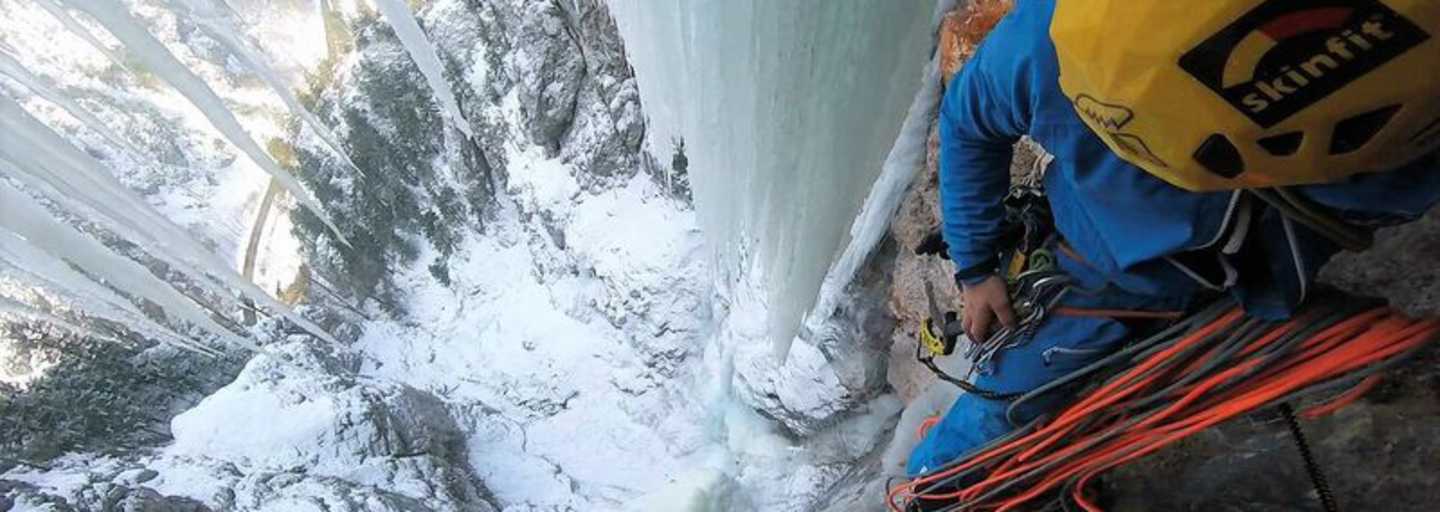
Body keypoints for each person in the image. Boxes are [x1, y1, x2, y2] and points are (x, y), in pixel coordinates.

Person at [907, 0, 1440, 477]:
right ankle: (931, 482)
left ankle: (931, 480)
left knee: (1001, 407)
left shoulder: (1062, 33)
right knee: (992, 414)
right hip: (1156, 254)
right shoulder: (1061, 32)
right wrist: (975, 268)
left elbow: (970, 117)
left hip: (1148, 254)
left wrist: (978, 268)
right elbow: (969, 118)